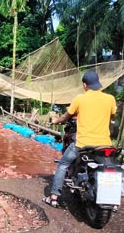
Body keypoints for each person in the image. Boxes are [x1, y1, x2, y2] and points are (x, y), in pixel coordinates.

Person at [43, 71, 117, 208]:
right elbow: (112, 115)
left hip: (83, 143)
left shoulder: (80, 99)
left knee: (63, 164)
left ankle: (53, 197)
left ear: (85, 85)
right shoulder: (110, 99)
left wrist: (56, 121)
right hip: (104, 144)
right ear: (98, 83)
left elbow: (66, 116)